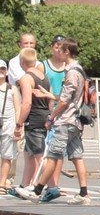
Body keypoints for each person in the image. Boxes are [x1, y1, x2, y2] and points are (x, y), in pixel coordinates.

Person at [17, 37, 90, 205]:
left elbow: (64, 101)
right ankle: (84, 193)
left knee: (52, 155)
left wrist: (51, 117)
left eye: (61, 49)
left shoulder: (71, 72)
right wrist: (50, 95)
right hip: (76, 121)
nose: (58, 52)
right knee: (77, 156)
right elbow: (70, 98)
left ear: (67, 52)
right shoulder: (79, 69)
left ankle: (37, 190)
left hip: (66, 121)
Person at [16, 47, 49, 189]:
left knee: (39, 156)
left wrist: (19, 124)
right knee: (28, 154)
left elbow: (27, 103)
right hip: (44, 115)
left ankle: (51, 186)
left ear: (21, 61)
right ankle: (24, 185)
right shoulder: (43, 76)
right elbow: (50, 98)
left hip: (34, 119)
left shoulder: (26, 78)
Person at [0, 62, 17, 196]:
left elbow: (18, 108)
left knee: (7, 155)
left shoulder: (12, 88)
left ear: (6, 72)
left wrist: (19, 127)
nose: (1, 71)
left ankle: (2, 182)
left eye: (3, 69)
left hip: (8, 124)